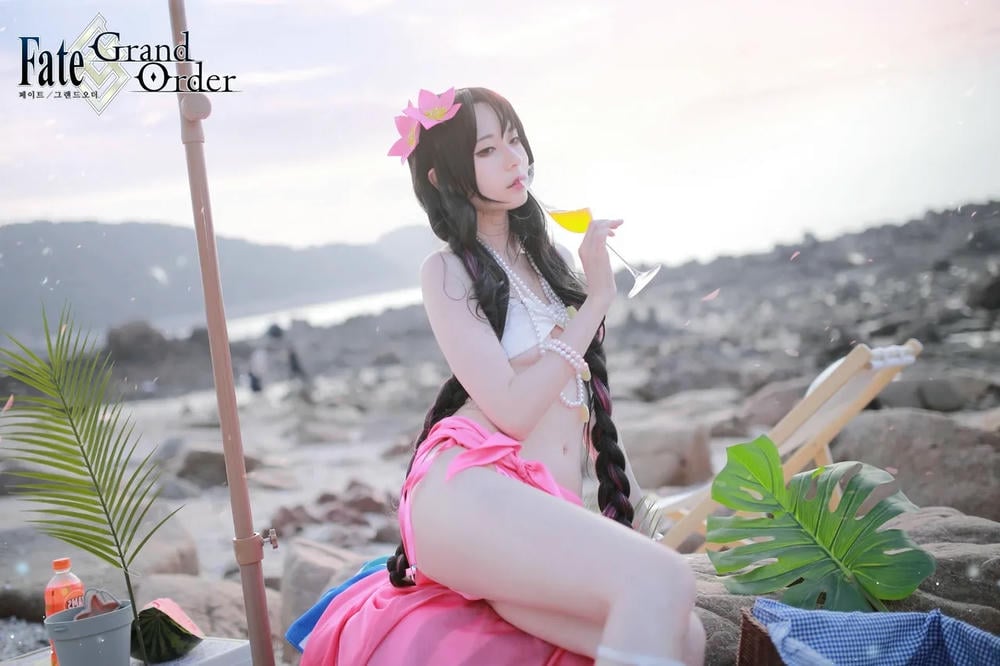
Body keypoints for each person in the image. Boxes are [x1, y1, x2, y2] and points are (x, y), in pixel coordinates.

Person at [297, 87, 704, 665]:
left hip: (534, 506)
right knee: (665, 581)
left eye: (514, 140)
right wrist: (595, 303)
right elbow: (512, 411)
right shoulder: (446, 271)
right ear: (444, 177)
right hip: (469, 485)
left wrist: (636, 507)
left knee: (687, 634)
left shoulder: (548, 264)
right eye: (487, 150)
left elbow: (585, 407)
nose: (514, 159)